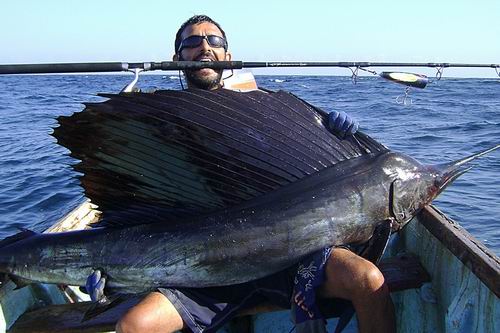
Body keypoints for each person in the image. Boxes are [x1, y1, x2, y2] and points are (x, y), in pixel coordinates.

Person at [88, 15, 395, 333]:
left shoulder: (265, 111)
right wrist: (119, 275)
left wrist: (336, 136)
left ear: (228, 57)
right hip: (201, 269)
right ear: (177, 58)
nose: (204, 47)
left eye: (214, 41)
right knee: (133, 325)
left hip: (290, 254)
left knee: (368, 280)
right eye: (192, 42)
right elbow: (134, 198)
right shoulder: (157, 124)